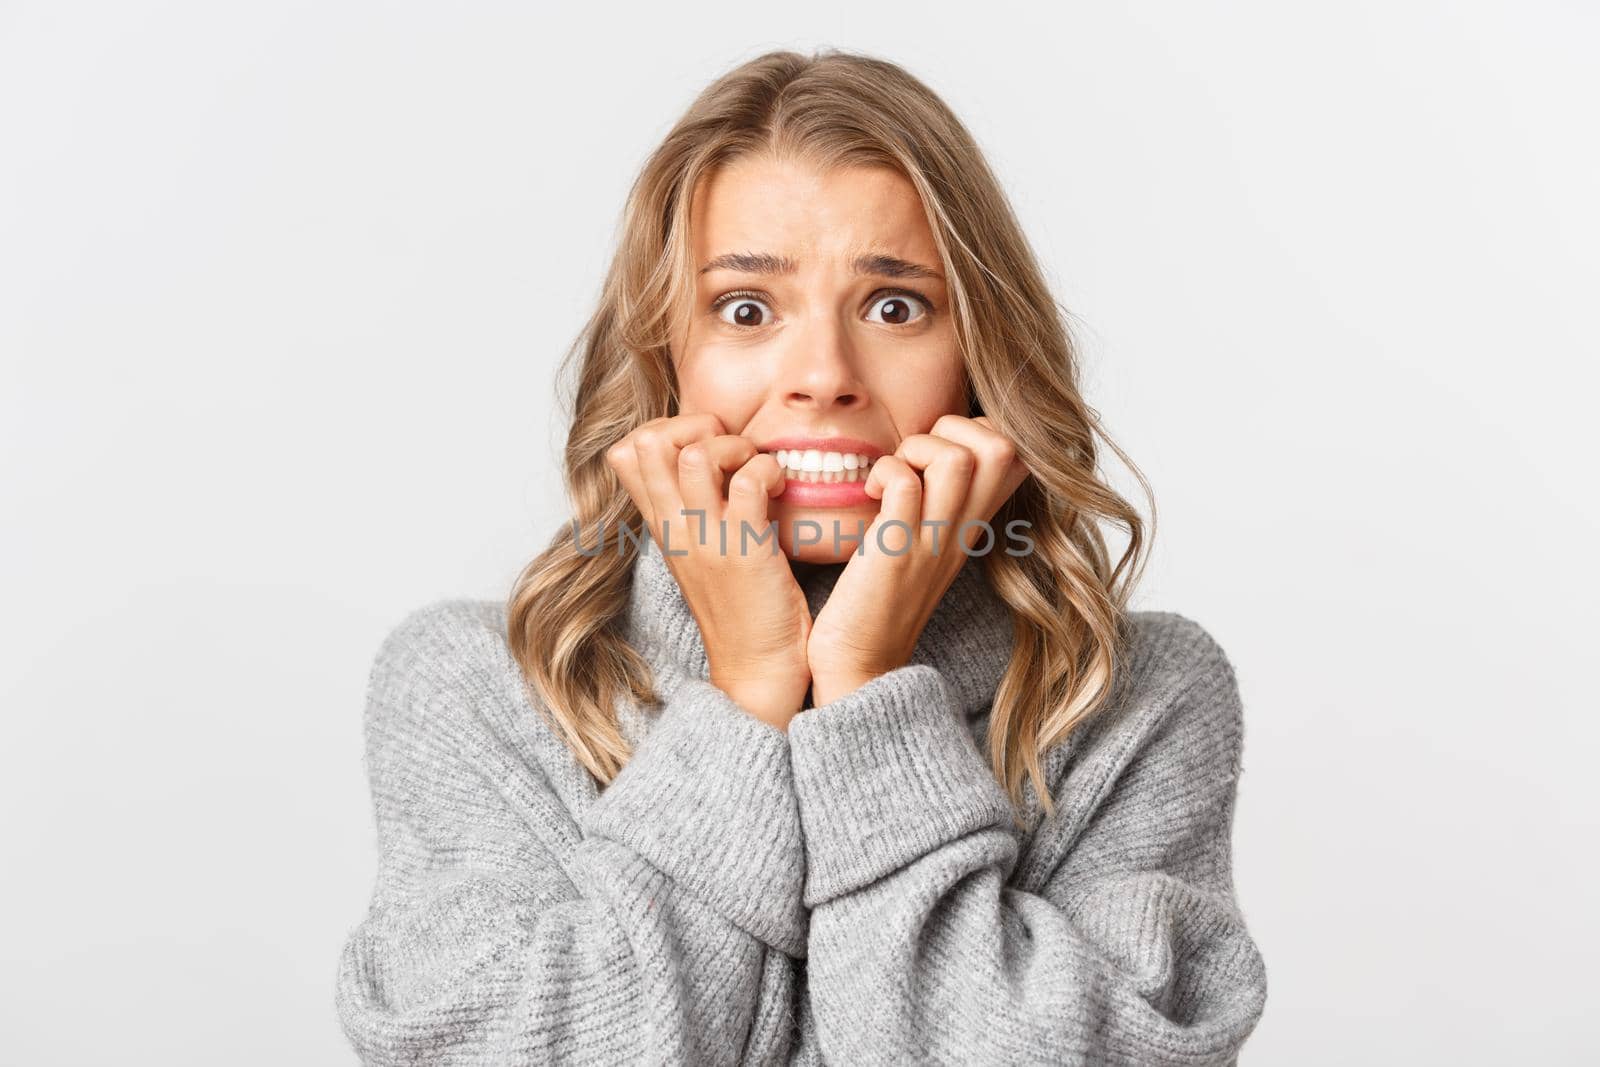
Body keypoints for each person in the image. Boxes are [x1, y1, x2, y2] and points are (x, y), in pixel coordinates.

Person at [334, 47, 1268, 1066]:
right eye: (745, 310)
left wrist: (864, 686)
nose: (823, 375)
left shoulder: (1137, 698)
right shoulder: (473, 690)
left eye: (895, 306)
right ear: (663, 361)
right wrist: (745, 693)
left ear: (976, 359)